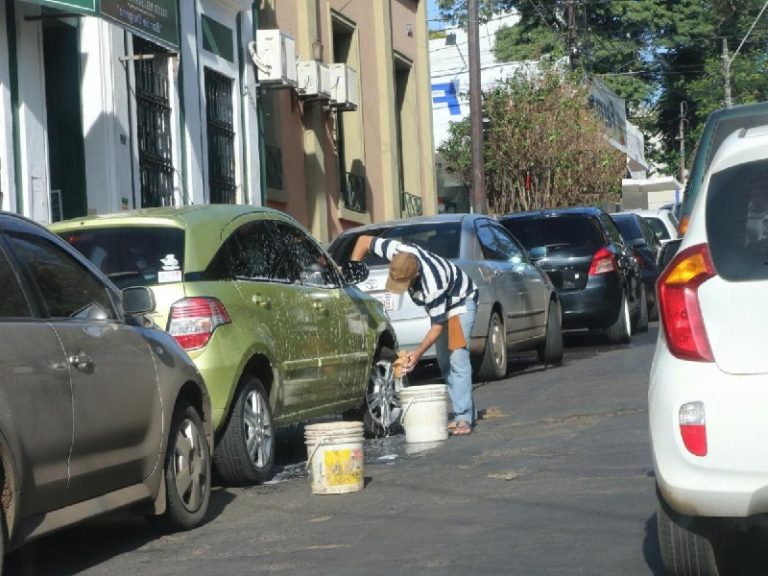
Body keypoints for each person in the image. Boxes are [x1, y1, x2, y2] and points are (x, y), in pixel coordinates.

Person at [350, 234, 478, 436]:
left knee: (457, 358)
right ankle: (467, 408)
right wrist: (353, 270)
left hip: (459, 303)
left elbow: (437, 326)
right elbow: (363, 241)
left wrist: (417, 354)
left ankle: (463, 417)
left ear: (415, 275)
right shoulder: (398, 252)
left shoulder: (433, 285)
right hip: (441, 307)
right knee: (444, 363)